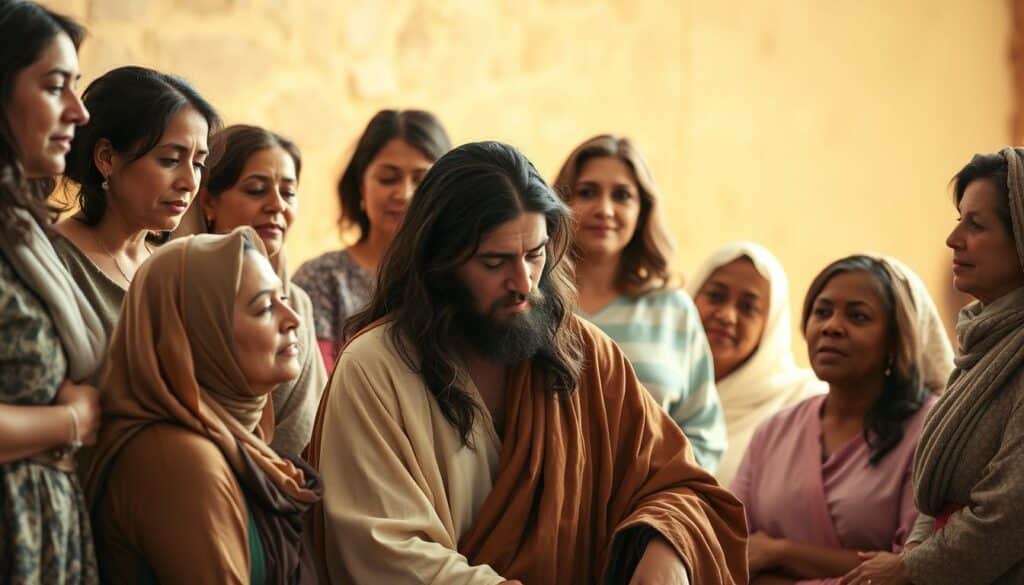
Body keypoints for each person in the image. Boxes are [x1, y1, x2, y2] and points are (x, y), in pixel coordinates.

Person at [307, 141, 748, 584]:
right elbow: (382, 551)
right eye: (495, 262)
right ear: (438, 263)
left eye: (535, 255)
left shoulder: (585, 354)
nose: (523, 283)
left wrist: (665, 550)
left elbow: (678, 486)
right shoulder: (374, 368)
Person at [85, 228, 321, 584]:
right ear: (195, 333)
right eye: (264, 308)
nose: (293, 319)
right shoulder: (178, 459)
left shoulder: (236, 440)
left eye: (284, 298)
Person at [843, 148, 1024, 584]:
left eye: (976, 225)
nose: (954, 239)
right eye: (958, 219)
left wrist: (911, 568)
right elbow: (934, 496)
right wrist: (913, 558)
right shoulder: (983, 343)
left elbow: (1009, 512)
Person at [732, 255, 953, 585]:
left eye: (858, 316)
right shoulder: (774, 430)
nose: (831, 326)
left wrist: (780, 552)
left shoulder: (929, 429)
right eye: (821, 312)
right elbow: (732, 546)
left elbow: (909, 567)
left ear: (895, 339)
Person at [0, 3, 104, 583]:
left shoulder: (23, 230)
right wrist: (69, 421)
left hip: (45, 525)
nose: (78, 111)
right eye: (55, 87)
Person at [553, 134, 726, 470]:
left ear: (642, 210)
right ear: (559, 202)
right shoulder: (534, 299)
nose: (604, 209)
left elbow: (704, 433)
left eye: (622, 196)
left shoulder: (673, 310)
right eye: (587, 192)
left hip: (645, 510)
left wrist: (660, 503)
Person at [171, 124, 326, 457]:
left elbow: (307, 427)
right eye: (256, 190)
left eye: (289, 192)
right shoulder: (178, 292)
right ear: (209, 201)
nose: (276, 205)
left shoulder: (298, 302)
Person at [54, 65, 219, 334]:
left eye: (198, 164)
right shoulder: (53, 262)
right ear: (107, 158)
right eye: (170, 160)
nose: (189, 182)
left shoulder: (175, 269)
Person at [293, 109, 451, 371]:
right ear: (360, 186)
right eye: (388, 178)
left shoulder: (455, 277)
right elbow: (316, 390)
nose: (404, 194)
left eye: (421, 180)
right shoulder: (321, 279)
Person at [688, 241, 826, 486]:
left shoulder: (802, 403)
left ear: (770, 325)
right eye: (715, 296)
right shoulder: (656, 389)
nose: (726, 316)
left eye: (748, 307)